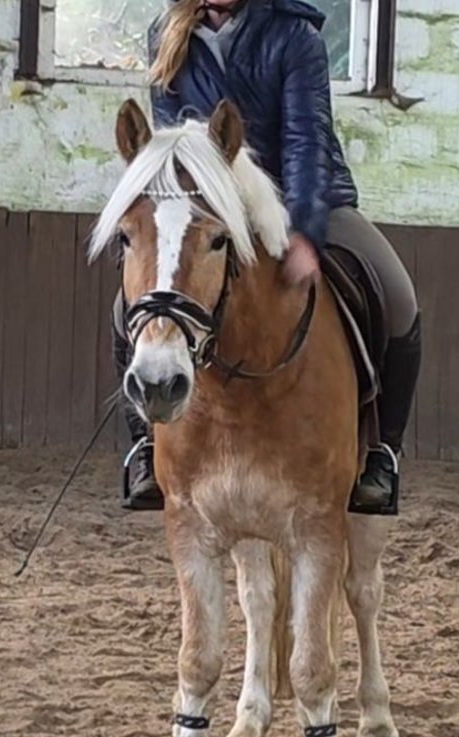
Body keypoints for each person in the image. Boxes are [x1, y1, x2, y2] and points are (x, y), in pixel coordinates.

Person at [115, 0, 421, 512]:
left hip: (303, 198)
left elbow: (307, 139)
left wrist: (304, 232)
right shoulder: (166, 34)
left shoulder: (295, 35)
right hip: (210, 209)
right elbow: (170, 147)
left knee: (399, 299)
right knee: (134, 305)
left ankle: (382, 454)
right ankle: (146, 446)